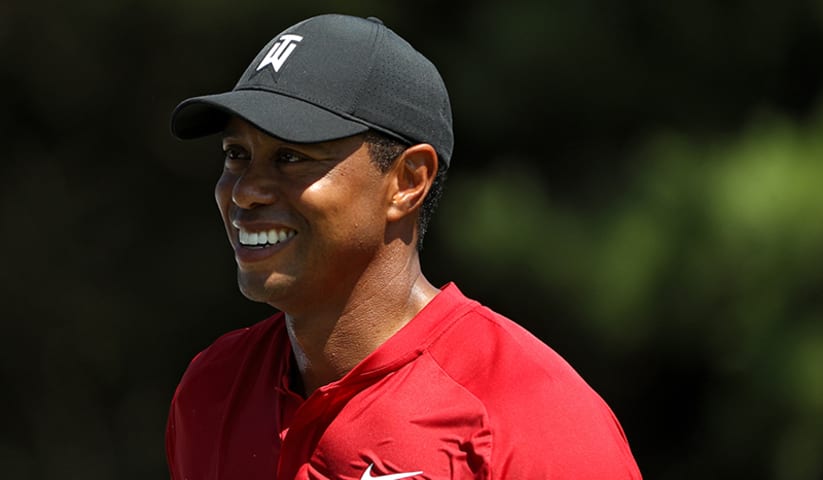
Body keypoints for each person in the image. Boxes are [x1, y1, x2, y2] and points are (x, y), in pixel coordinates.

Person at [167, 13, 642, 480]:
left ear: (408, 181)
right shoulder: (212, 389)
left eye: (291, 157)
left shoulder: (531, 419)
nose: (246, 190)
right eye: (237, 155)